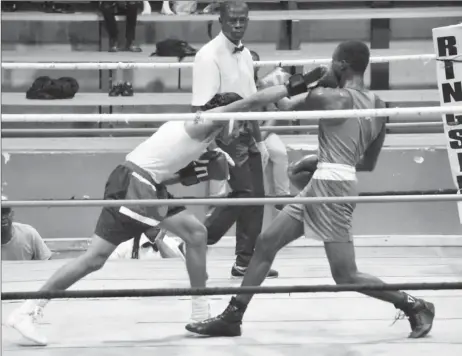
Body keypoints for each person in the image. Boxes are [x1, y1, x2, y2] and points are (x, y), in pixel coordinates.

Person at [6, 71, 314, 347]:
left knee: (196, 234)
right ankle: (28, 309)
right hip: (134, 184)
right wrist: (293, 86)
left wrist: (198, 172)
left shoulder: (205, 140)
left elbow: (175, 174)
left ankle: (200, 308)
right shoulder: (205, 121)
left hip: (148, 184)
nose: (241, 132)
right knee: (94, 259)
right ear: (229, 115)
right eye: (242, 125)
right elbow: (255, 99)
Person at [185, 41, 435, 339]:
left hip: (330, 188)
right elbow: (366, 163)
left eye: (331, 63)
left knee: (345, 275)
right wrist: (322, 158)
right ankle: (232, 316)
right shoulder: (379, 106)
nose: (328, 67)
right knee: (266, 243)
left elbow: (285, 104)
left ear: (341, 65)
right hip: (331, 182)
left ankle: (414, 304)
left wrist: (292, 81)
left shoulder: (332, 97)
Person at [191, 0, 277, 279]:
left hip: (246, 131)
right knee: (245, 194)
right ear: (221, 20)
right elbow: (201, 110)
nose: (238, 25)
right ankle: (198, 237)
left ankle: (245, 262)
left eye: (243, 20)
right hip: (223, 133)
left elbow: (252, 101)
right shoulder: (208, 55)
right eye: (232, 20)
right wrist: (213, 146)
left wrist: (260, 141)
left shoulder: (247, 55)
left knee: (257, 197)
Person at [251, 50, 292, 201]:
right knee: (259, 157)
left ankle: (283, 196)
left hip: (263, 131)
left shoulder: (264, 85)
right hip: (243, 132)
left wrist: (262, 135)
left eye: (254, 62)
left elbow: (273, 113)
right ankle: (254, 195)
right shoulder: (234, 85)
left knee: (280, 153)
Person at [109, 226, 185, 260]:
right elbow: (109, 265)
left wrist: (160, 242)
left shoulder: (173, 244)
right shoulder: (126, 244)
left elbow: (180, 269)